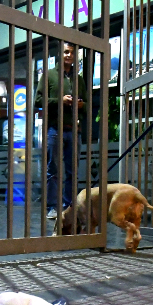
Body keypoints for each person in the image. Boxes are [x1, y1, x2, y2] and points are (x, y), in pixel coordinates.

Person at [36, 42, 87, 220]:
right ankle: (52, 206)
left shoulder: (78, 79)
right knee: (53, 169)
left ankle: (69, 206)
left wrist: (81, 104)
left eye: (72, 53)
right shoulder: (49, 76)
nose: (69, 55)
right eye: (66, 52)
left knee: (73, 171)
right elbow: (37, 101)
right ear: (60, 54)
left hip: (74, 129)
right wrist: (60, 100)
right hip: (54, 129)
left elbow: (88, 105)